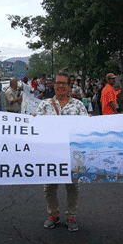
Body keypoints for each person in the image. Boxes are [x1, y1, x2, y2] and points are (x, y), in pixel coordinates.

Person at [36, 72, 88, 232]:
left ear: (69, 86)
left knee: (73, 186)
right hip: (51, 151)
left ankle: (71, 216)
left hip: (73, 152)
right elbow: (36, 127)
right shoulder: (44, 105)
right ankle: (54, 215)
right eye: (58, 83)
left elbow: (87, 127)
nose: (60, 86)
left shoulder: (78, 105)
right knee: (50, 186)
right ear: (54, 85)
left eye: (64, 83)